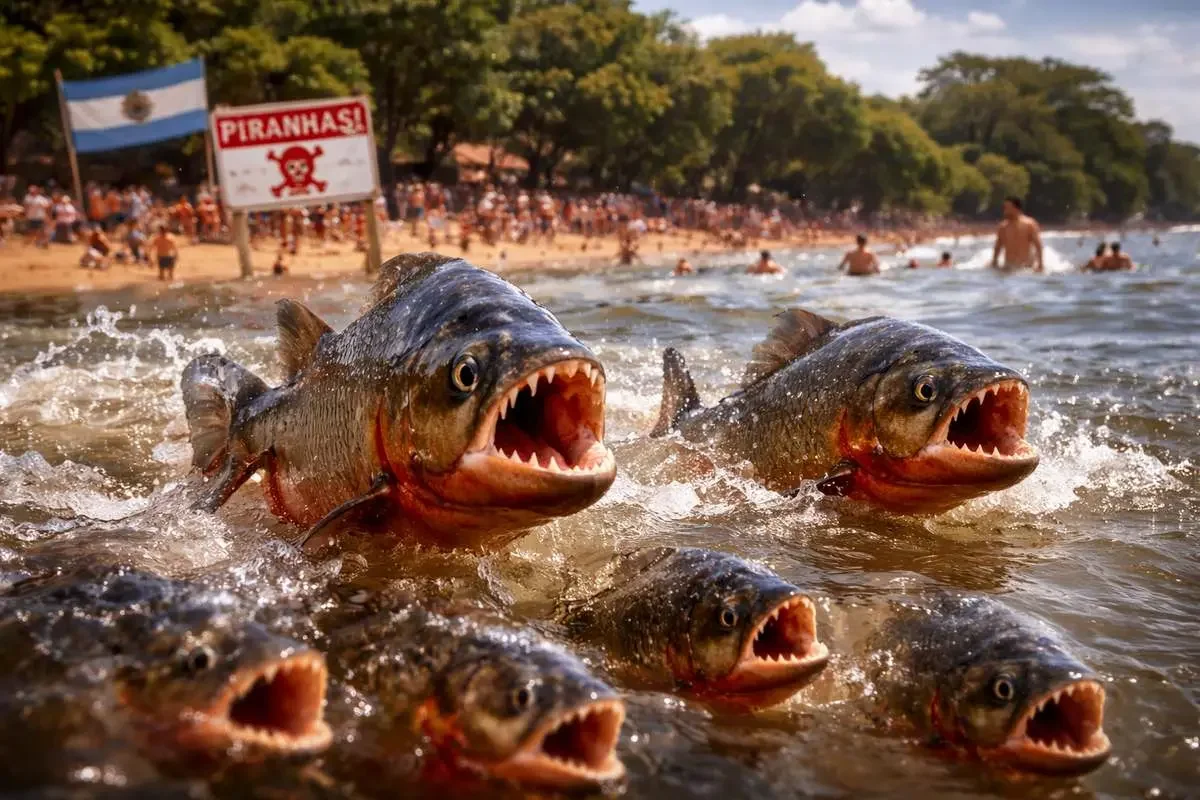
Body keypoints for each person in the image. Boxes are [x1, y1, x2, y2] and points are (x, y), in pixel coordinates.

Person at [991, 196, 1043, 272]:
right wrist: (994, 262)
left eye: (1007, 208)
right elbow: (998, 246)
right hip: (1008, 267)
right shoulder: (1003, 226)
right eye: (1004, 208)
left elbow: (1038, 245)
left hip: (1027, 268)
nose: (1004, 211)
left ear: (1016, 208)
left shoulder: (1029, 224)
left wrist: (1040, 264)